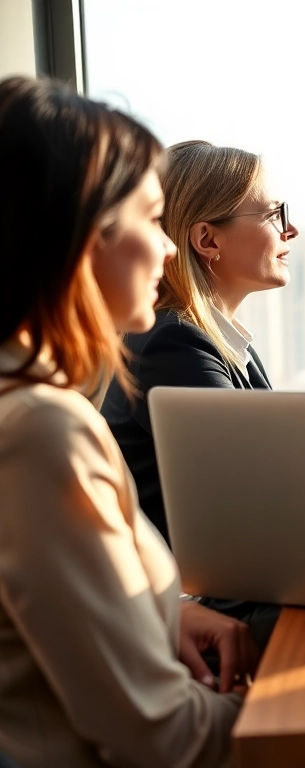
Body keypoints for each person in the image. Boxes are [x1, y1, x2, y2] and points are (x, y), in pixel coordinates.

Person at [0, 75, 254, 768]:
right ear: (83, 236)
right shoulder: (40, 430)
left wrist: (155, 612)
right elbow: (159, 735)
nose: (168, 248)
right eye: (151, 219)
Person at [102, 140, 297, 544]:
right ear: (208, 240)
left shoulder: (221, 344)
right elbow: (262, 490)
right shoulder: (172, 345)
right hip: (196, 592)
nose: (290, 229)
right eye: (275, 214)